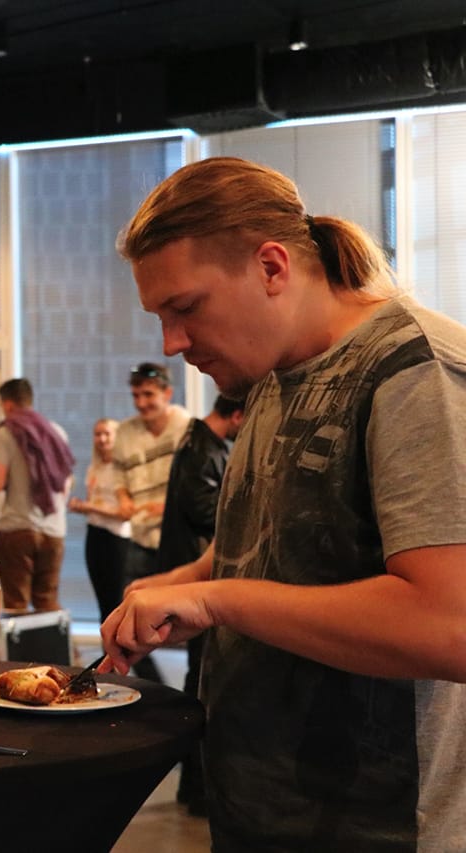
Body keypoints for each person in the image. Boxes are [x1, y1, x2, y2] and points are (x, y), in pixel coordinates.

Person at [101, 156, 466, 850]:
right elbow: (265, 545)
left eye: (186, 308)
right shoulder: (270, 377)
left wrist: (217, 601)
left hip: (378, 828)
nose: (172, 344)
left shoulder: (414, 370)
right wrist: (182, 584)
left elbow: (450, 623)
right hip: (260, 814)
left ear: (271, 267)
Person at [155, 392, 244, 816]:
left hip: (191, 572)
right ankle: (196, 786)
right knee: (202, 680)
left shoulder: (200, 443)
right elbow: (203, 508)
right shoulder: (203, 448)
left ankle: (195, 785)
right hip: (196, 575)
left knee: (200, 677)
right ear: (237, 414)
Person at [110, 361, 191, 680]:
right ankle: (151, 687)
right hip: (141, 537)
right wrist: (123, 498)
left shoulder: (186, 425)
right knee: (126, 620)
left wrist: (170, 507)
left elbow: (200, 479)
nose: (141, 403)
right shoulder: (125, 432)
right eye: (136, 395)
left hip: (179, 540)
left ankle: (195, 688)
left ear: (167, 393)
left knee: (193, 621)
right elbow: (118, 474)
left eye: (148, 395)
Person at [0, 378, 74, 612]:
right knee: (47, 602)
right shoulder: (56, 432)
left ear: (7, 404)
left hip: (18, 529)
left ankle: (21, 640)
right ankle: (54, 639)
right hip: (54, 531)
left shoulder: (6, 432)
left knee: (16, 604)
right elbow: (66, 482)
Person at [68, 418, 131, 623]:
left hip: (117, 538)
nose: (102, 439)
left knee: (117, 599)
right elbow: (95, 504)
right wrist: (81, 507)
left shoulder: (124, 469)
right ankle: (106, 641)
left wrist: (91, 507)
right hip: (95, 534)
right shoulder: (94, 468)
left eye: (107, 434)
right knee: (102, 600)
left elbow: (125, 513)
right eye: (98, 434)